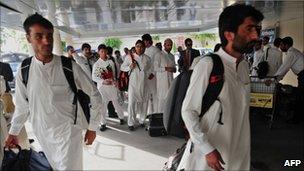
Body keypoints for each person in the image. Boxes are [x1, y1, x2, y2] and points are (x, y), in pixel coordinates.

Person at [5, 13, 102, 170]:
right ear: (28, 38)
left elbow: (95, 95)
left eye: (49, 35)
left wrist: (92, 127)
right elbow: (23, 107)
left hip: (69, 133)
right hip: (43, 134)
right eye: (39, 36)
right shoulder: (25, 69)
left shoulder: (68, 66)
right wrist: (13, 132)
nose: (47, 41)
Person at [178, 4, 263, 170]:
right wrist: (207, 149)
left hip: (239, 153)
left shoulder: (244, 66)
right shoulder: (209, 65)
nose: (256, 36)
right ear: (229, 35)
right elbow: (188, 111)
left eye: (257, 29)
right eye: (249, 29)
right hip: (209, 157)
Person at [266, 36, 304, 123]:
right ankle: (298, 118)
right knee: (300, 96)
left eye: (281, 45)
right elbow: (284, 69)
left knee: (299, 97)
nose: (280, 47)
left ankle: (296, 119)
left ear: (286, 45)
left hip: (303, 75)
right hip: (301, 76)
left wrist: (273, 80)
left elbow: (284, 68)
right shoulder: (293, 52)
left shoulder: (291, 53)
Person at [92, 44, 125, 131]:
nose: (103, 53)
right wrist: (103, 81)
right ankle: (103, 123)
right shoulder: (96, 64)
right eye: (101, 51)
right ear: (99, 52)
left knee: (116, 103)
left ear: (107, 52)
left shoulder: (111, 62)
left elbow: (114, 74)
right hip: (102, 88)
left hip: (112, 86)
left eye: (105, 51)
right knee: (103, 106)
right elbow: (94, 77)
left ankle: (121, 118)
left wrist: (114, 80)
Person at [120, 40, 152, 131]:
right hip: (133, 84)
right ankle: (131, 123)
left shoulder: (148, 58)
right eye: (138, 46)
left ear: (144, 48)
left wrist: (150, 74)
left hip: (144, 84)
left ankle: (142, 121)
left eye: (142, 46)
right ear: (135, 47)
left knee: (144, 103)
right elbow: (122, 67)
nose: (140, 48)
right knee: (131, 104)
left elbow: (150, 68)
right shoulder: (129, 57)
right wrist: (129, 67)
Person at [154, 38, 176, 113]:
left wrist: (174, 69)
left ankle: (167, 116)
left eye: (171, 45)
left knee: (169, 98)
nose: (169, 47)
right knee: (162, 99)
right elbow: (155, 68)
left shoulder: (172, 56)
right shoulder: (159, 55)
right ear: (164, 45)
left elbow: (174, 67)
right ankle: (159, 116)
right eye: (168, 45)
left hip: (170, 80)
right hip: (162, 81)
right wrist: (166, 68)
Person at [142, 33, 161, 115]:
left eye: (144, 41)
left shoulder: (155, 50)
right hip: (145, 76)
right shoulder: (143, 50)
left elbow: (156, 63)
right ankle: (150, 113)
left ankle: (156, 112)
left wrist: (153, 73)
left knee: (155, 94)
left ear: (148, 41)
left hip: (153, 76)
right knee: (147, 95)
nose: (143, 43)